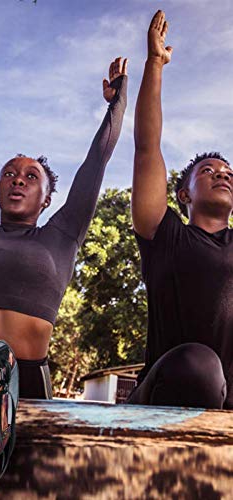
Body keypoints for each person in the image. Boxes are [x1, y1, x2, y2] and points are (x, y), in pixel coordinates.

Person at [0, 54, 128, 399]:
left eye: (30, 177)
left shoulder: (63, 235)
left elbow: (96, 162)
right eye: (9, 174)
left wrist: (117, 103)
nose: (18, 181)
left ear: (47, 199)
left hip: (27, 384)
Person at [128, 10, 232, 409]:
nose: (222, 174)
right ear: (184, 194)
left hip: (227, 405)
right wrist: (155, 65)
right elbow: (146, 149)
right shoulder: (166, 235)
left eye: (228, 172)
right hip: (164, 396)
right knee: (198, 364)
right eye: (208, 171)